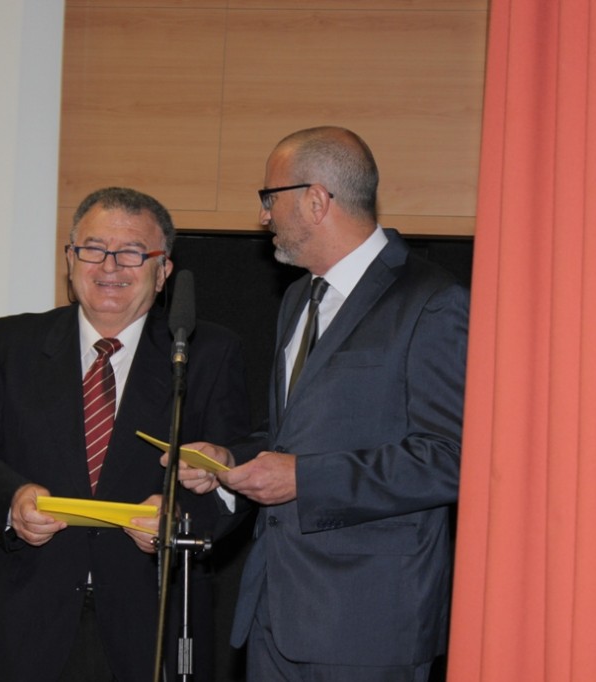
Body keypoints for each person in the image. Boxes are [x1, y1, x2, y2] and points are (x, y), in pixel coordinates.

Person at [174, 127, 469, 681]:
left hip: (368, 622)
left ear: (316, 200)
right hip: (275, 612)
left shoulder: (430, 301)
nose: (264, 216)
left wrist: (305, 480)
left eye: (270, 198)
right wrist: (233, 460)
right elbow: (290, 435)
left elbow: (449, 457)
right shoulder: (298, 298)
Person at [0, 187, 250, 682]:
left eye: (130, 253)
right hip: (26, 620)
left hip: (152, 620)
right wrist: (13, 500)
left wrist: (178, 519)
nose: (109, 267)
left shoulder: (206, 352)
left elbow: (237, 478)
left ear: (163, 269)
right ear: (69, 258)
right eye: (93, 249)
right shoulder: (12, 343)